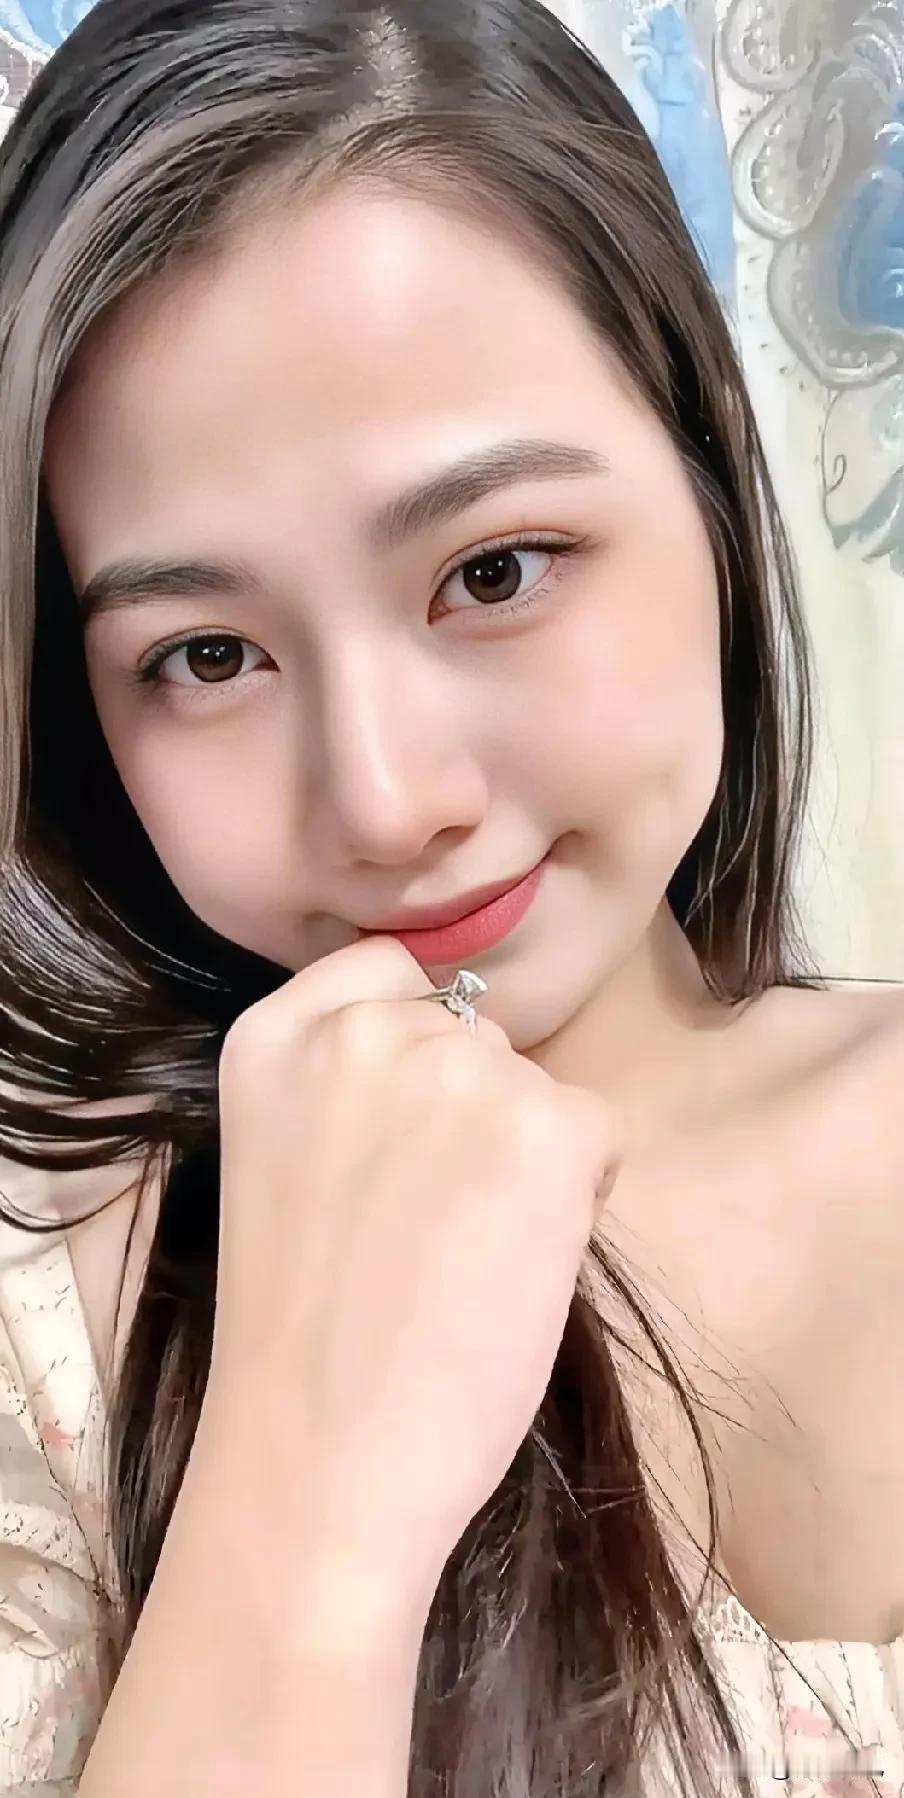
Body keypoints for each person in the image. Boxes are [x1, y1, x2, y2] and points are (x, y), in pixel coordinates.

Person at [0, 0, 900, 1792]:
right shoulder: (49, 1320)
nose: (386, 802)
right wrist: (304, 1505)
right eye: (205, 654)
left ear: (713, 483)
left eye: (493, 570)